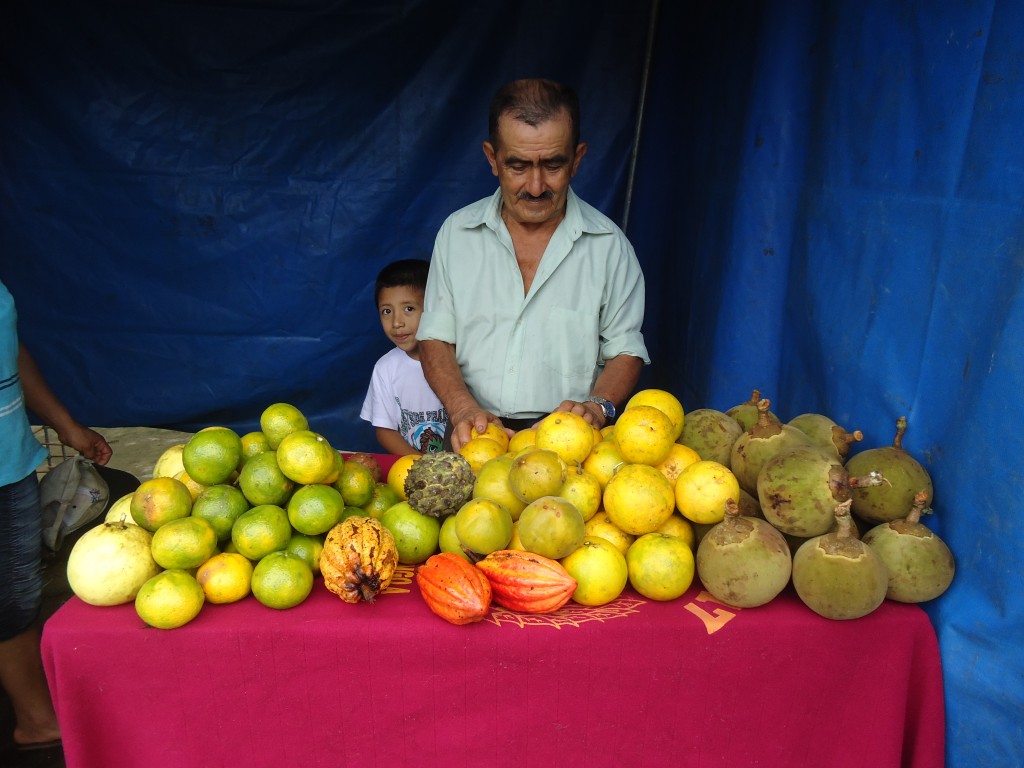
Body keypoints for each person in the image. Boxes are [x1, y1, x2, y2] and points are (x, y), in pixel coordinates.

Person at [417, 78, 649, 451]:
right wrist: (462, 409)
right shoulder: (456, 234)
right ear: (492, 158)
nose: (537, 186)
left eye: (553, 165)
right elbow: (435, 336)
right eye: (519, 166)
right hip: (472, 433)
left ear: (578, 158)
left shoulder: (609, 247)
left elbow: (625, 348)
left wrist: (597, 406)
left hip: (567, 442)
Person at [1, 278, 112, 759]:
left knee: (17, 594)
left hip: (11, 462)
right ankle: (37, 721)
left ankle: (35, 716)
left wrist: (64, 425)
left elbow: (9, 349)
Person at [360, 259, 447, 454]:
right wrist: (421, 464)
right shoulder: (386, 368)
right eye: (387, 311)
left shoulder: (459, 359)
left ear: (433, 308)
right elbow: (385, 430)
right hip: (417, 471)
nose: (396, 322)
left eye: (409, 309)